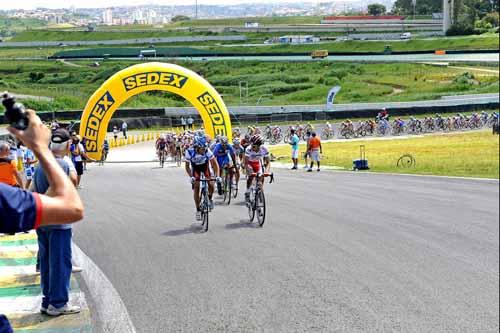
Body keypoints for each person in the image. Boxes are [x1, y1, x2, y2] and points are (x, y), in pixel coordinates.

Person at [0, 109, 84, 234]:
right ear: (67, 145)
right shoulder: (61, 163)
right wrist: (41, 149)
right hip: (54, 224)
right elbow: (73, 209)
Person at [32, 128, 81, 316]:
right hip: (58, 221)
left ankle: (47, 300)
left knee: (46, 262)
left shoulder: (40, 163)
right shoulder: (63, 164)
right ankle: (59, 303)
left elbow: (34, 188)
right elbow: (72, 184)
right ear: (68, 145)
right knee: (60, 263)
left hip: (42, 221)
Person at [184, 135, 220, 221]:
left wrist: (218, 176)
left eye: (204, 149)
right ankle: (198, 210)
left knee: (211, 183)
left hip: (205, 167)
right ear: (196, 148)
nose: (204, 150)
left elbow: (215, 164)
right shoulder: (189, 151)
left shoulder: (207, 150)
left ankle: (210, 199)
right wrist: (191, 177)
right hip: (195, 168)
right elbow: (187, 167)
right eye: (202, 149)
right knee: (196, 187)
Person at [244, 135, 271, 203]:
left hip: (257, 164)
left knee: (261, 177)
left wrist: (267, 171)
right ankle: (247, 191)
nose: (252, 147)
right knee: (250, 177)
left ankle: (260, 191)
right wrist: (249, 171)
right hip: (249, 164)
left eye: (254, 146)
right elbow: (246, 163)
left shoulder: (264, 149)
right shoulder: (248, 149)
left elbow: (268, 162)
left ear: (259, 146)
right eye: (251, 145)